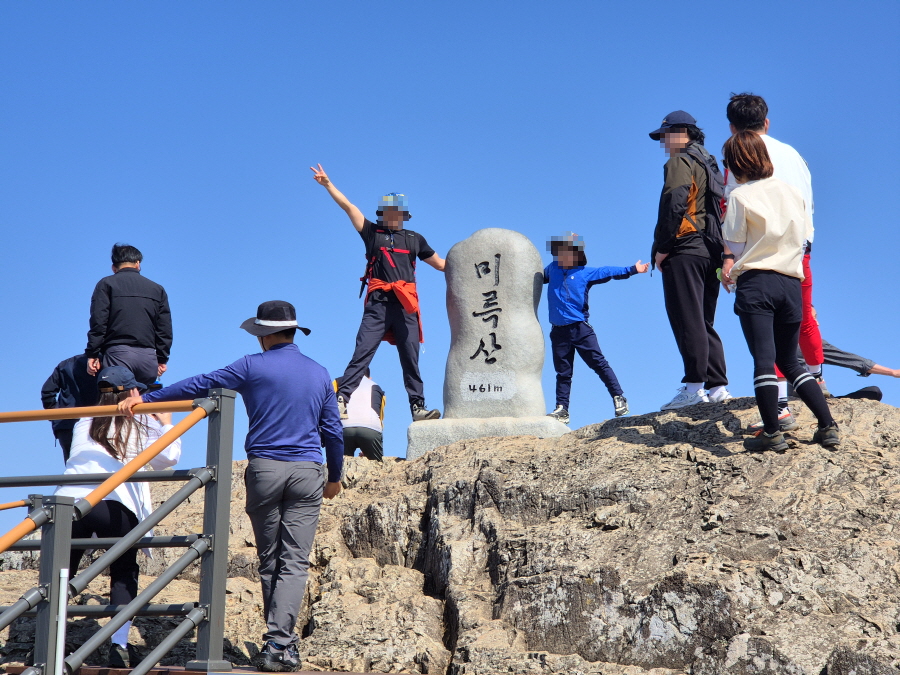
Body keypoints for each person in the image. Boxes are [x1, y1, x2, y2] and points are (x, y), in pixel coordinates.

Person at [119, 300, 343, 672]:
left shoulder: (251, 365)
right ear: (292, 332)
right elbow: (333, 431)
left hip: (265, 470)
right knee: (294, 561)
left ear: (263, 335)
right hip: (307, 471)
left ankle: (277, 644)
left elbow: (201, 383)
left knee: (270, 559)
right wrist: (334, 477)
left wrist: (148, 398)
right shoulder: (319, 373)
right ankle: (281, 645)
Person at [720, 131, 839, 451]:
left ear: (737, 163)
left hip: (756, 282)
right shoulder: (793, 193)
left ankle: (772, 433)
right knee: (791, 361)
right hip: (790, 283)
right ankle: (828, 426)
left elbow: (734, 244)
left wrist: (727, 265)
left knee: (764, 360)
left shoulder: (740, 196)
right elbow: (803, 237)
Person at [56, 366, 181, 668]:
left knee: (61, 575)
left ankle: (51, 644)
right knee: (124, 570)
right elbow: (169, 459)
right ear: (133, 392)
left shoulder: (84, 419)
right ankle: (119, 645)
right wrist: (166, 422)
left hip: (67, 503)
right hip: (112, 505)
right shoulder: (140, 419)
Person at [310, 164, 445, 422]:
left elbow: (440, 264)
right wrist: (328, 184)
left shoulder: (415, 239)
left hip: (405, 306)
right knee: (362, 353)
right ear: (382, 213)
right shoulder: (372, 233)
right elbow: (349, 207)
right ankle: (341, 400)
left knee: (411, 358)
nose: (393, 215)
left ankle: (417, 408)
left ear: (403, 215)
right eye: (389, 211)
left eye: (397, 211)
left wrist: (473, 263)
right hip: (378, 305)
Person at [649, 111, 732, 410]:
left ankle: (694, 388)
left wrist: (663, 246)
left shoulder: (681, 160)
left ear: (683, 131)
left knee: (686, 318)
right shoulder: (711, 163)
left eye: (666, 135)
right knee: (703, 320)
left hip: (685, 247)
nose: (664, 143)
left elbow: (674, 201)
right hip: (712, 250)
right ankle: (718, 387)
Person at [543, 233, 648, 423]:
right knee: (563, 372)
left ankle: (618, 396)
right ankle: (562, 409)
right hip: (558, 331)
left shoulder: (584, 272)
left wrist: (633, 269)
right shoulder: (552, 269)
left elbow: (607, 271)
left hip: (580, 329)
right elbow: (535, 277)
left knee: (599, 364)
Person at [85, 244, 173, 388]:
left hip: (118, 355)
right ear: (138, 263)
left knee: (118, 400)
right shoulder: (157, 289)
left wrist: (93, 354)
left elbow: (99, 322)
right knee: (143, 401)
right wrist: (161, 359)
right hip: (148, 359)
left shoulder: (106, 284)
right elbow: (164, 328)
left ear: (113, 267)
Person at [41, 354, 100, 461]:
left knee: (73, 465)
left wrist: (55, 415)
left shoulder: (65, 364)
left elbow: (47, 391)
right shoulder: (105, 362)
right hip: (99, 423)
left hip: (67, 424)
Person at [335, 368, 385, 462]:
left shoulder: (338, 382)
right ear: (369, 378)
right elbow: (380, 416)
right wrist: (366, 447)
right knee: (376, 465)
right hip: (370, 428)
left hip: (344, 428)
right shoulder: (376, 386)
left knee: (341, 465)